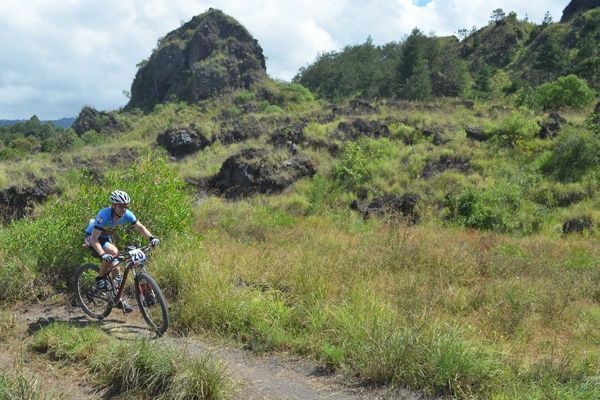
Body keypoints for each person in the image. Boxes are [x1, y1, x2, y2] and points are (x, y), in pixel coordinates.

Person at [84, 190, 160, 313]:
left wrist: (152, 238)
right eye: (121, 207)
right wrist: (103, 254)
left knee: (117, 269)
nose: (124, 209)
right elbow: (94, 238)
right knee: (113, 251)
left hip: (105, 237)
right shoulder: (104, 215)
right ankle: (100, 279)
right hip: (92, 238)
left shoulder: (127, 215)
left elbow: (140, 227)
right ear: (113, 206)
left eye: (126, 207)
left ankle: (117, 300)